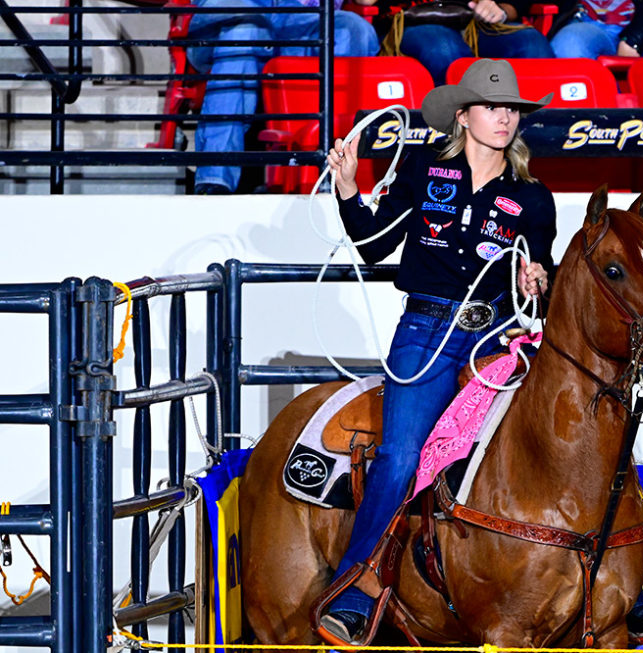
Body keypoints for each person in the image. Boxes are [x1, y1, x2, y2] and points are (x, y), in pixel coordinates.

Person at [319, 58, 556, 643]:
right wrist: (349, 190)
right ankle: (356, 588)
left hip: (495, 336)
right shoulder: (425, 169)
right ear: (463, 115)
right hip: (424, 332)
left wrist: (535, 279)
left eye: (512, 110)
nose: (504, 118)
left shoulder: (532, 197)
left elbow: (540, 272)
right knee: (400, 457)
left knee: (530, 452)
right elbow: (374, 246)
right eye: (493, 107)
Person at [188, 0, 380, 195]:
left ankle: (332, 172)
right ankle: (214, 180)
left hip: (303, 20)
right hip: (234, 13)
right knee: (245, 30)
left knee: (352, 30)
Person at [373, 0, 554, 85]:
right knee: (444, 47)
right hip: (410, 23)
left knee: (531, 42)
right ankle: (461, 140)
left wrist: (500, 9)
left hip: (474, 24)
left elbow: (517, 5)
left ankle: (543, 138)